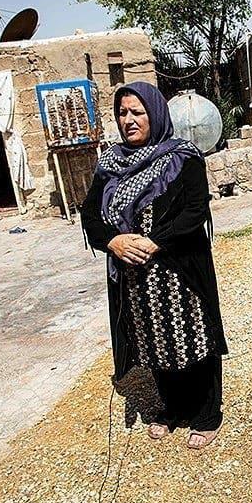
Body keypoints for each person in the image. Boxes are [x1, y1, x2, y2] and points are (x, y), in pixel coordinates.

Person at [80, 81, 228, 449]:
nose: (128, 120)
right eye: (122, 112)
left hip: (178, 269)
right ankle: (172, 407)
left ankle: (207, 413)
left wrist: (156, 241)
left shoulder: (183, 156)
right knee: (153, 341)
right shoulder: (110, 165)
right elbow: (90, 214)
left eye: (137, 112)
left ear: (155, 114)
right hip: (135, 275)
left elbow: (196, 208)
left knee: (194, 337)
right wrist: (113, 241)